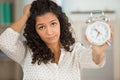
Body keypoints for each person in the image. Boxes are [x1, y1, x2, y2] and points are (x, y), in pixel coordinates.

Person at [0, 0, 112, 80]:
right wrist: (26, 15)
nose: (49, 32)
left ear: (60, 23)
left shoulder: (75, 51)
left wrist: (97, 52)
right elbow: (4, 42)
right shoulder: (26, 52)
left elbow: (95, 61)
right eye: (41, 27)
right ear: (35, 31)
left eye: (53, 24)